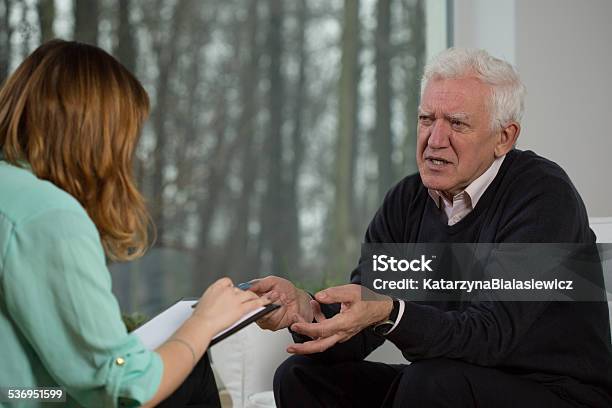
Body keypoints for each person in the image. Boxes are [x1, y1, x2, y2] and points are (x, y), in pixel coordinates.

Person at [251, 48, 612, 407]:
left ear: (504, 137)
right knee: (301, 376)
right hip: (452, 382)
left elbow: (490, 335)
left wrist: (391, 312)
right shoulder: (406, 201)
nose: (435, 140)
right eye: (427, 119)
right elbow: (359, 322)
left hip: (556, 391)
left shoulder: (543, 195)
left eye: (456, 123)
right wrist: (306, 311)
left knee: (431, 381)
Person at [0, 40, 269, 407]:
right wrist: (203, 324)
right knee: (188, 375)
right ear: (94, 137)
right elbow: (123, 387)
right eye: (124, 141)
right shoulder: (48, 216)